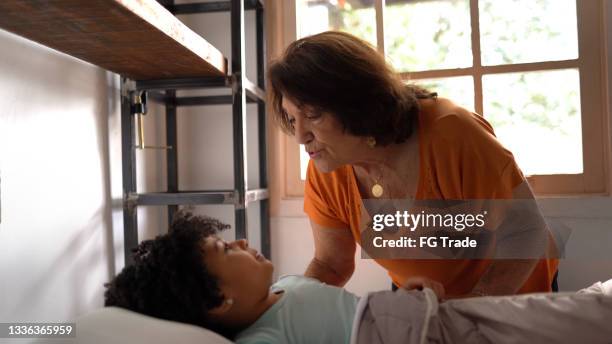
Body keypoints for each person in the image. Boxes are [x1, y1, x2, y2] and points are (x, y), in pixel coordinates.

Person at [267, 31, 558, 297]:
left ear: (356, 105)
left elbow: (526, 232)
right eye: (292, 119)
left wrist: (471, 310)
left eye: (314, 115)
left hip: (513, 294)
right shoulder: (327, 166)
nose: (300, 136)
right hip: (425, 297)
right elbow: (331, 265)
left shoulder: (452, 134)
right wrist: (282, 309)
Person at [104, 212, 612, 343]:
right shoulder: (266, 336)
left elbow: (354, 310)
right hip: (433, 337)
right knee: (582, 319)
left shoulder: (289, 285)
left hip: (442, 319)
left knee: (575, 313)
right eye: (223, 249)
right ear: (218, 299)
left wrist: (411, 295)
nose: (240, 241)